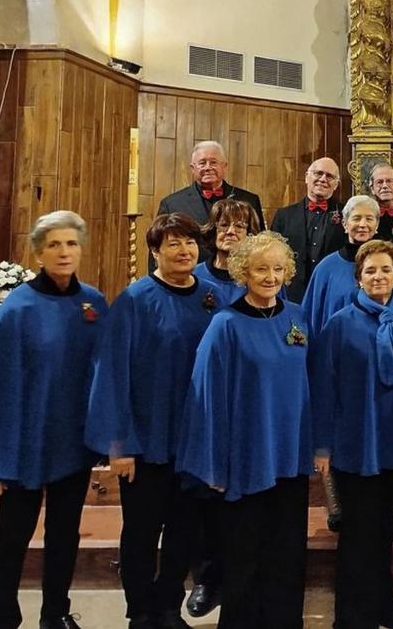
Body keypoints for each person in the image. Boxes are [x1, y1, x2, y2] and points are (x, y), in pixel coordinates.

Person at [0, 211, 106, 629]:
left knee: (64, 534)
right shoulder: (17, 308)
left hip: (71, 439)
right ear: (37, 252)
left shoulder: (93, 302)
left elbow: (104, 370)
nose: (64, 252)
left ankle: (55, 613)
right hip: (24, 440)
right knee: (13, 537)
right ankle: (2, 619)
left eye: (71, 243)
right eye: (54, 244)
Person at [86, 213, 221, 629]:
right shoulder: (134, 299)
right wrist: (120, 444)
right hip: (146, 440)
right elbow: (112, 372)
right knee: (142, 532)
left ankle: (167, 606)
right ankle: (141, 611)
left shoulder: (212, 297)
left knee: (184, 531)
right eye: (174, 244)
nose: (184, 251)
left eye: (190, 243)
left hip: (194, 440)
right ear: (155, 252)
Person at [177, 231, 313, 629]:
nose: (270, 276)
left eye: (277, 268)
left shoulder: (297, 317)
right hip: (246, 458)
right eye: (260, 269)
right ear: (243, 273)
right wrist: (214, 467)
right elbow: (206, 400)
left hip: (289, 457)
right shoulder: (225, 325)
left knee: (287, 553)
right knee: (245, 556)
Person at [312, 240, 393, 629]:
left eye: (385, 269)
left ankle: (384, 600)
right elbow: (323, 387)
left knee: (383, 531)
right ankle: (352, 615)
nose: (378, 276)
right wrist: (323, 445)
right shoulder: (340, 323)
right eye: (370, 271)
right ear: (358, 278)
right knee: (357, 535)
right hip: (356, 442)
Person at [153, 141, 264, 273]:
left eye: (213, 162)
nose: (208, 167)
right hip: (186, 278)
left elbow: (259, 245)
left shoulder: (249, 200)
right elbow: (157, 248)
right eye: (202, 163)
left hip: (239, 277)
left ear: (225, 166)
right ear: (192, 168)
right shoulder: (172, 204)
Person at [270, 157, 346, 302]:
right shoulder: (284, 215)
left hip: (332, 294)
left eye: (329, 176)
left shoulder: (347, 216)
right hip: (291, 295)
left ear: (336, 185)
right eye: (318, 173)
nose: (323, 179)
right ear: (306, 177)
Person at [302, 195, 381, 333]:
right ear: (345, 224)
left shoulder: (392, 265)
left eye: (369, 218)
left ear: (377, 225)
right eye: (356, 218)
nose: (362, 224)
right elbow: (311, 318)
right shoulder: (326, 268)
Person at [195, 198, 264, 305]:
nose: (230, 231)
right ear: (213, 230)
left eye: (239, 226)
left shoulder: (262, 277)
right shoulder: (193, 275)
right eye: (224, 225)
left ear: (250, 234)